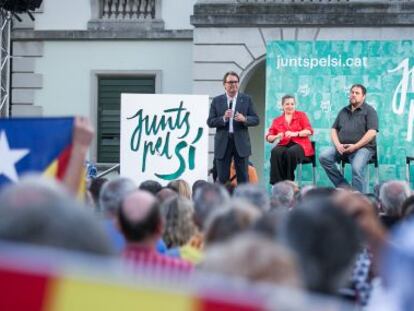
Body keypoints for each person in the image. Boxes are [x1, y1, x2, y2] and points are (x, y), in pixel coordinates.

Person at [319, 84, 378, 193]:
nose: (353, 95)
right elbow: (333, 130)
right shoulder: (343, 111)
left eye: (357, 93)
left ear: (363, 96)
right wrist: (338, 145)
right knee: (324, 157)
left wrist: (355, 146)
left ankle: (358, 199)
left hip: (363, 149)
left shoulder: (370, 111)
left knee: (356, 167)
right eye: (352, 92)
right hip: (342, 147)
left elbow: (372, 132)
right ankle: (345, 187)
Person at [207, 71, 259, 184]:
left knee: (243, 178)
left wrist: (244, 119)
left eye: (236, 82)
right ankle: (223, 201)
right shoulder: (217, 100)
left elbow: (256, 119)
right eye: (230, 82)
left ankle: (242, 201)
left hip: (241, 142)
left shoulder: (246, 99)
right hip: (223, 143)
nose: (233, 84)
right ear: (224, 84)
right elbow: (210, 122)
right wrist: (224, 118)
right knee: (222, 178)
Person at [265, 95, 314, 184]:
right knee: (275, 151)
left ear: (295, 105)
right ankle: (277, 184)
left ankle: (288, 182)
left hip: (300, 145)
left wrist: (295, 133)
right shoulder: (277, 120)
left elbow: (309, 131)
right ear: (282, 106)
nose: (290, 106)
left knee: (290, 152)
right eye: (287, 104)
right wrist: (276, 137)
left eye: (292, 104)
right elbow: (269, 137)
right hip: (284, 144)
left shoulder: (301, 115)